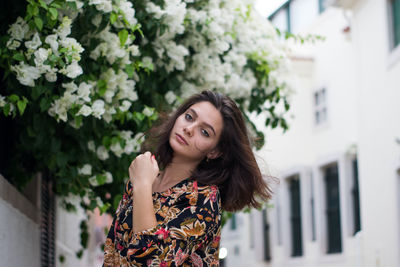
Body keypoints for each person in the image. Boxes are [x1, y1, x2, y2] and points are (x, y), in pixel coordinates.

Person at [103, 90, 272, 266]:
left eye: (205, 132)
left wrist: (142, 185)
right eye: (189, 117)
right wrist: (142, 184)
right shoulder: (143, 180)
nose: (189, 129)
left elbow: (149, 260)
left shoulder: (203, 199)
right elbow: (112, 252)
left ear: (214, 151)